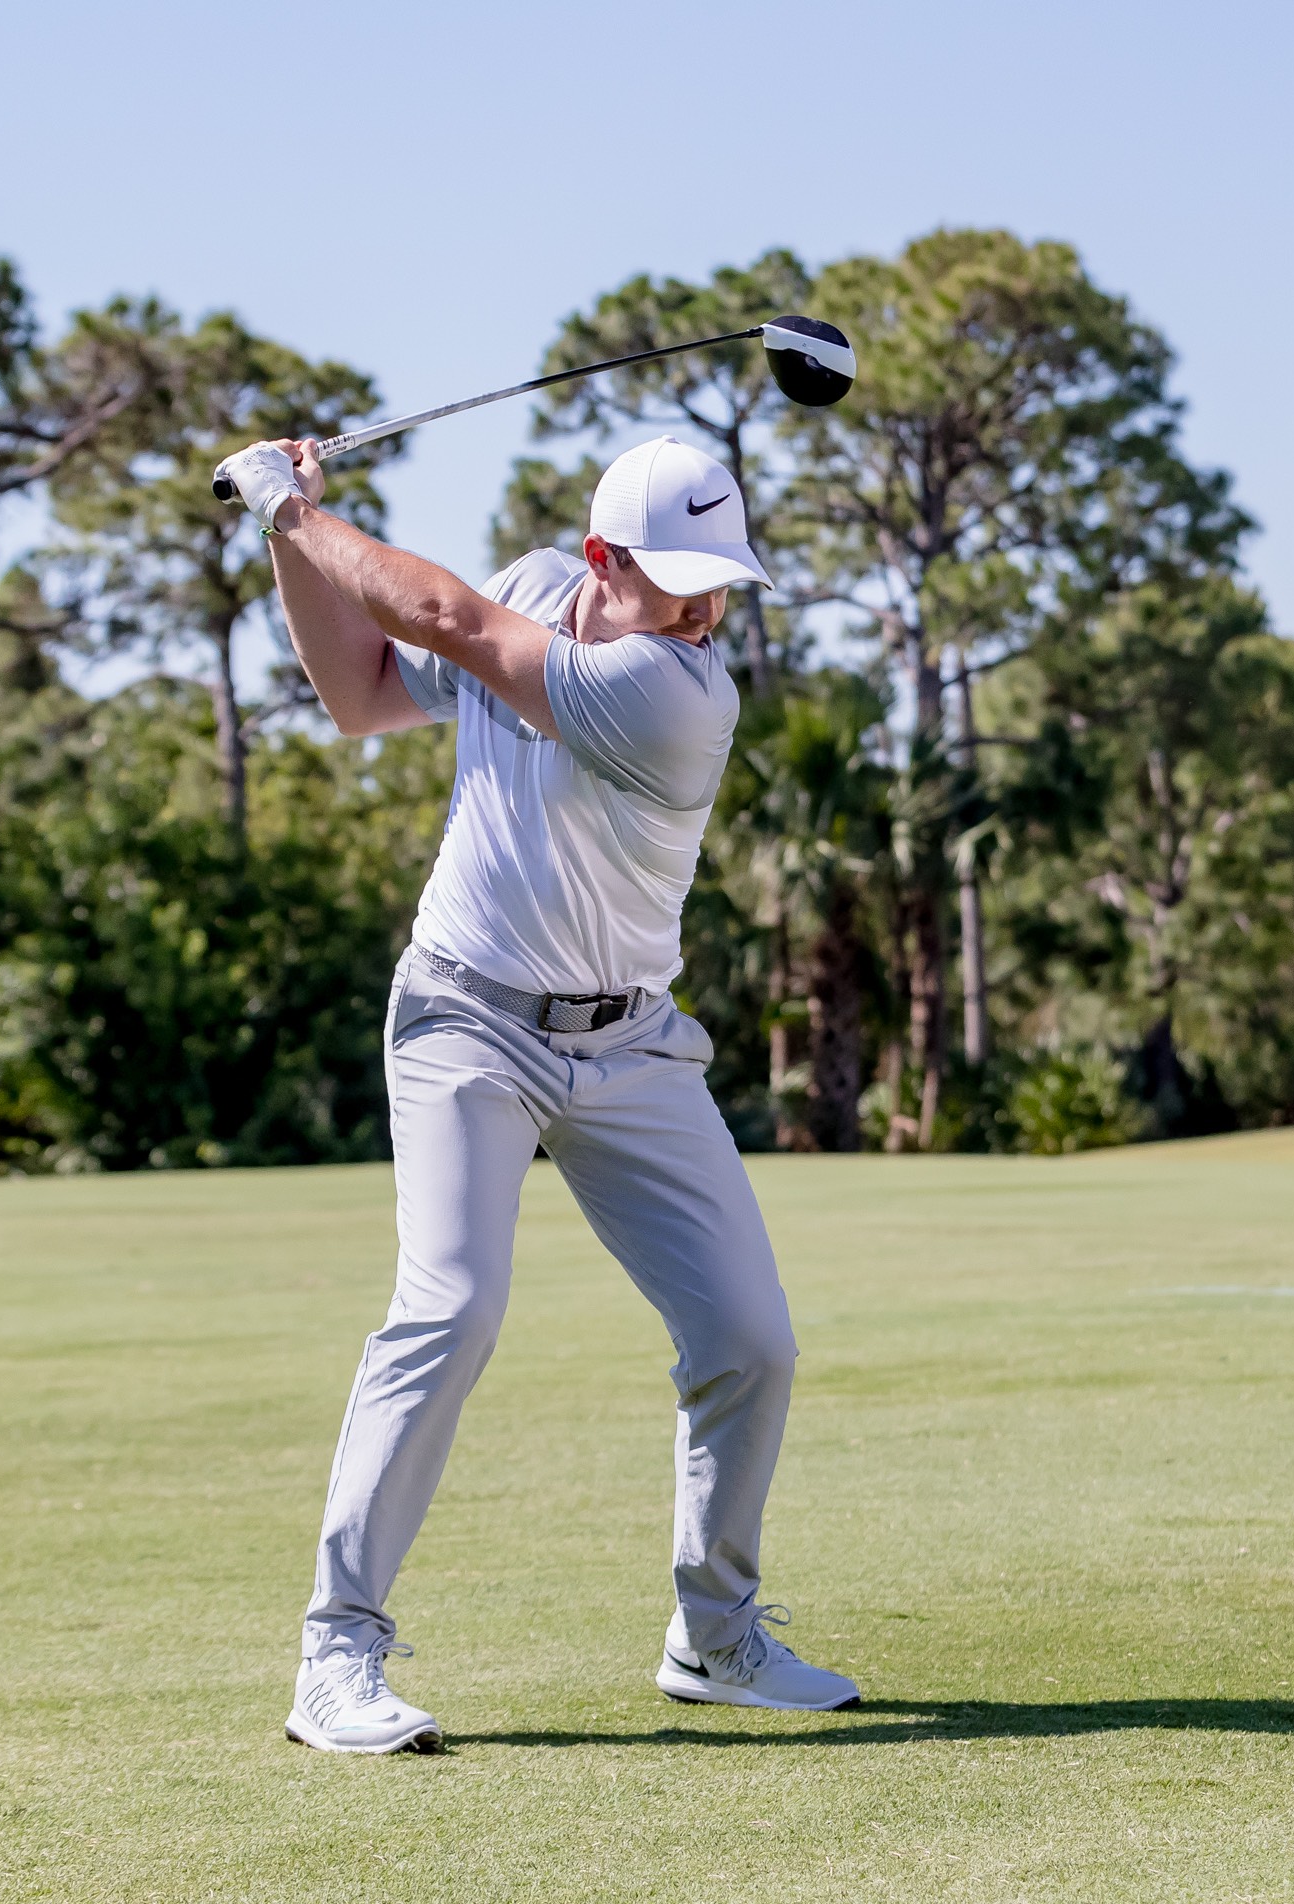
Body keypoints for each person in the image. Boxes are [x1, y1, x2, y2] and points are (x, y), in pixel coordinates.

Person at [209, 431, 861, 1755]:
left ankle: (716, 1636)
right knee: (448, 1311)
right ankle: (336, 1658)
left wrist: (285, 499)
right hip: (466, 1021)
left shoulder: (677, 691)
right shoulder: (539, 584)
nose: (704, 607)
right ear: (604, 560)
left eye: (721, 581)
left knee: (752, 1340)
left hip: (631, 1049)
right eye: (677, 578)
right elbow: (364, 693)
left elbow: (442, 616)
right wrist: (292, 535)